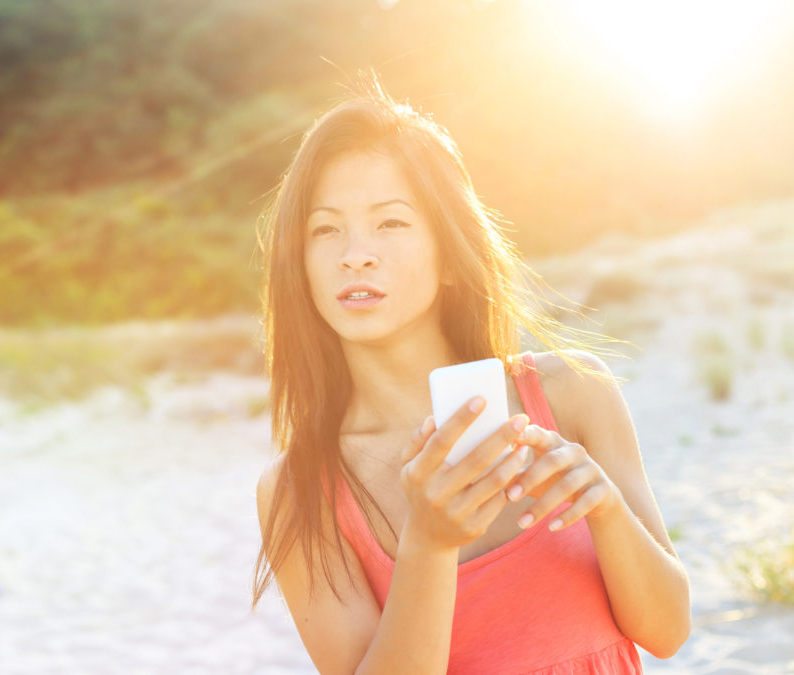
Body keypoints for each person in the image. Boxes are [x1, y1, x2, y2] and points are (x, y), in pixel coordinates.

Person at [252, 85, 690, 673]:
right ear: (298, 264)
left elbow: (666, 631)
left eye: (391, 223)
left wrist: (606, 510)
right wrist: (428, 545)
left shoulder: (574, 394)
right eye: (325, 230)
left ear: (450, 255)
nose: (356, 254)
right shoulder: (299, 490)